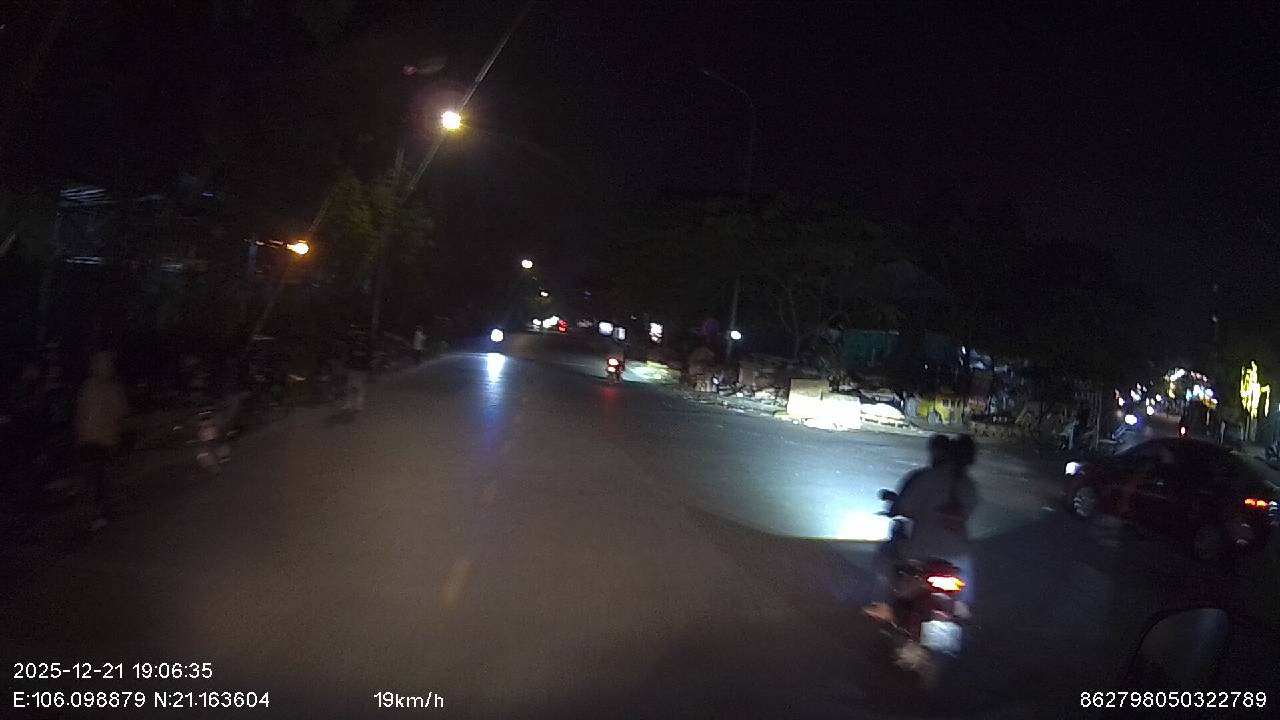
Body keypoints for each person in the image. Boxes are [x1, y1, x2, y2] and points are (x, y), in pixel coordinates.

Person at [75, 351, 129, 530]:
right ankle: (100, 511)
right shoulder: (96, 388)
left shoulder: (94, 387)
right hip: (97, 441)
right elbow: (120, 412)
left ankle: (102, 510)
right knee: (99, 477)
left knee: (102, 476)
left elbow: (120, 413)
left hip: (101, 440)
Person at [344, 330, 371, 411]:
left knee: (360, 387)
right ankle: (348, 404)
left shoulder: (367, 346)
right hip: (353, 368)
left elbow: (369, 357)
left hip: (362, 369)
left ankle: (359, 405)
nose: (361, 338)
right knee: (350, 387)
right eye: (360, 336)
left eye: (363, 336)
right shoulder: (352, 345)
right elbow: (348, 355)